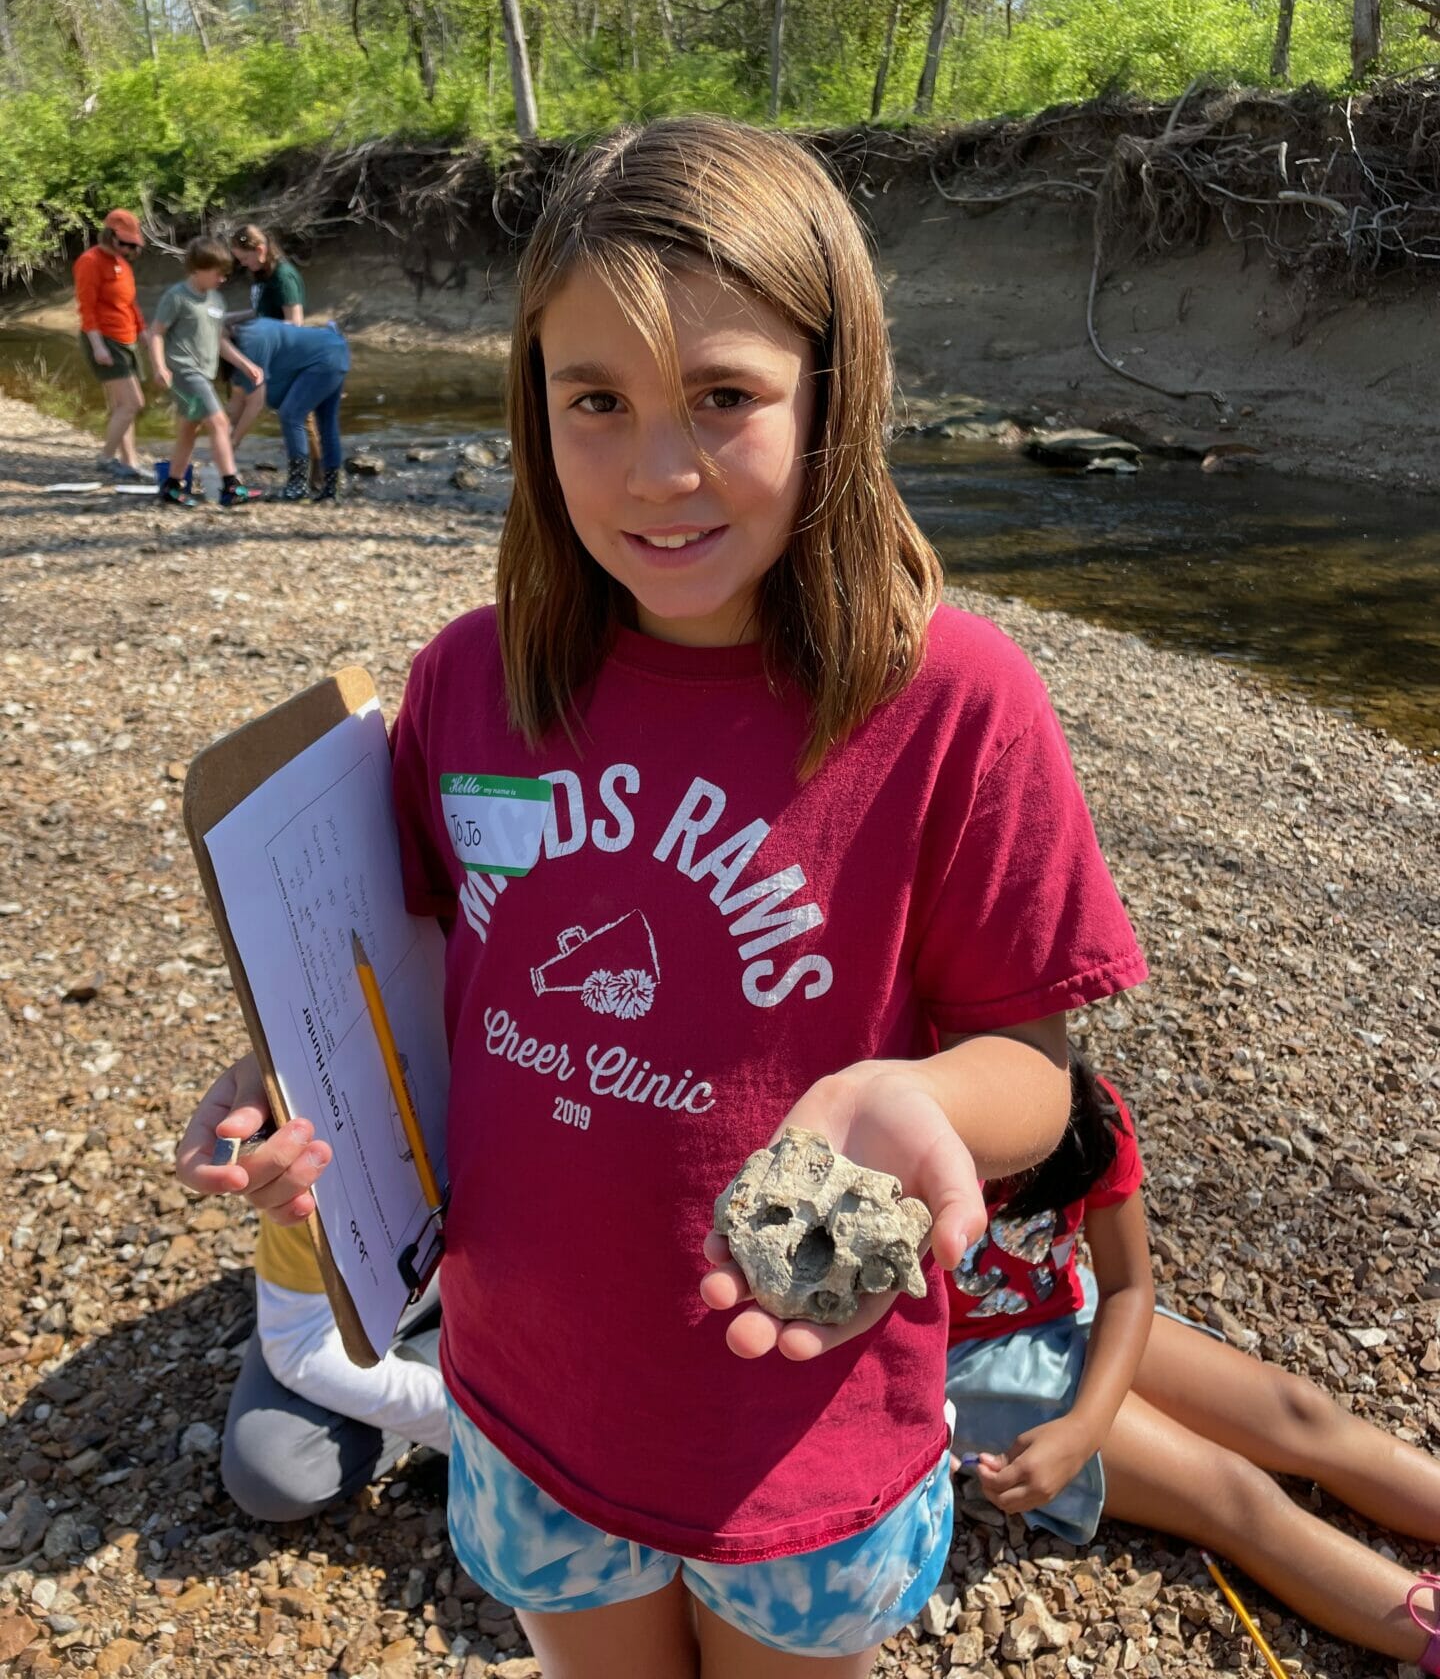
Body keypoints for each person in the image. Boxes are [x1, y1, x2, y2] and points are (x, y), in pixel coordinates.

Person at [177, 116, 1148, 1677]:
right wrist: (290, 1082)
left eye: (725, 397)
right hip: (529, 1395)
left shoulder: (956, 700)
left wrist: (915, 1095)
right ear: (534, 406)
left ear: (834, 390)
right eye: (597, 403)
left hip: (806, 1420)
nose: (659, 470)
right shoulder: (472, 678)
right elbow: (414, 964)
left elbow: (1034, 1075)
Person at [947, 1048, 1440, 1673]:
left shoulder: (1085, 1110)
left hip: (1069, 1311)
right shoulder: (908, 1126)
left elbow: (1128, 1288)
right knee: (1232, 1493)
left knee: (1302, 1412)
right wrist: (1078, 1431)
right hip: (964, 1362)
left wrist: (1086, 1425)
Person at [187, 1065, 449, 1521]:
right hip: (376, 1283)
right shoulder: (329, 1110)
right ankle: (454, 1366)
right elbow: (303, 1345)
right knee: (274, 1468)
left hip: (529, 1269)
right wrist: (480, 1427)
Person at [149, 237, 263, 509]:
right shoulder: (177, 297)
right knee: (220, 423)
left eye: (225, 273)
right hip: (185, 371)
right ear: (197, 269)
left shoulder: (217, 301)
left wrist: (246, 364)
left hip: (204, 372)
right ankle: (231, 486)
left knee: (190, 427)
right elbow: (155, 333)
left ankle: (172, 486)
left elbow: (218, 341)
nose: (222, 278)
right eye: (217, 272)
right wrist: (159, 366)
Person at [229, 222, 323, 486]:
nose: (244, 264)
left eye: (245, 258)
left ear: (260, 250)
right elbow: (261, 312)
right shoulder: (262, 275)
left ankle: (317, 476)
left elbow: (294, 323)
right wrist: (230, 318)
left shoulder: (283, 276)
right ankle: (226, 460)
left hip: (288, 356)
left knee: (299, 416)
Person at [226, 315, 349, 503]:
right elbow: (237, 399)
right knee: (327, 422)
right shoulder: (247, 334)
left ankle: (297, 487)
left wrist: (233, 442)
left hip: (324, 358)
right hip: (336, 349)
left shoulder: (251, 342)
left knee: (291, 415)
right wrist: (224, 436)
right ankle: (330, 490)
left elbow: (255, 403)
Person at [73, 208, 150, 480]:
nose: (130, 249)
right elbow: (87, 308)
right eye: (126, 243)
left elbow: (131, 304)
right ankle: (106, 458)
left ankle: (129, 462)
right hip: (105, 340)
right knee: (132, 403)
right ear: (110, 235)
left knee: (122, 406)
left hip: (126, 338)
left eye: (133, 244)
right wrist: (98, 346)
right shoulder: (90, 261)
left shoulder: (122, 265)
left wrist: (144, 335)